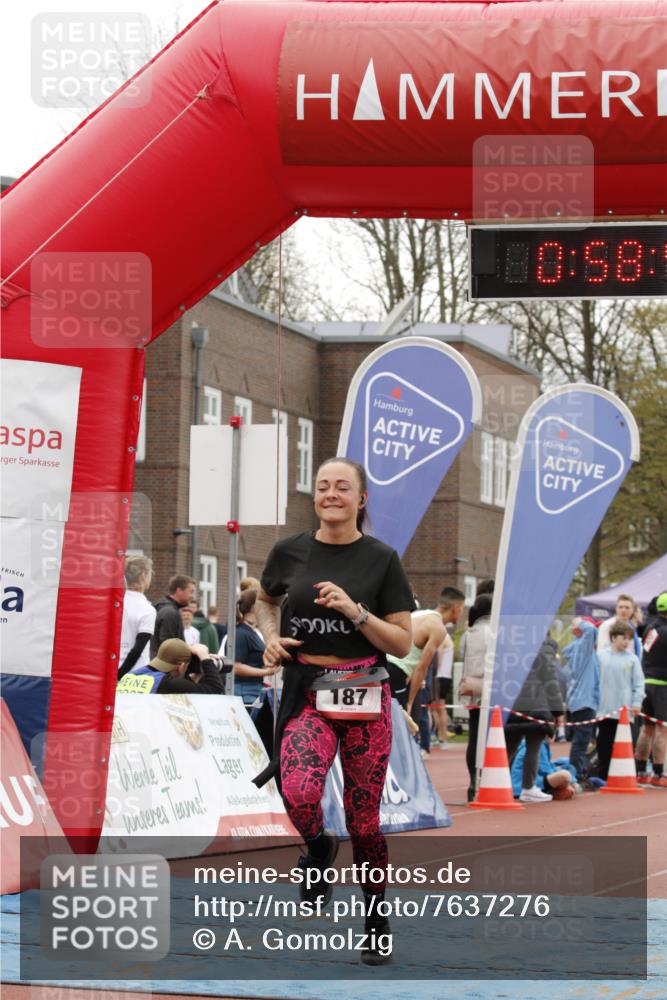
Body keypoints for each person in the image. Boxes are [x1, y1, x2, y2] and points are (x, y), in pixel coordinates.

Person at [254, 457, 414, 965]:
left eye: (343, 487)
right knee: (297, 792)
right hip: (308, 693)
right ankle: (319, 848)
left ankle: (375, 918)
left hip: (364, 690)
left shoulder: (382, 559)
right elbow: (264, 599)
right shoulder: (291, 551)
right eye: (323, 486)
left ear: (361, 499)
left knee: (364, 821)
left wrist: (355, 611)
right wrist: (270, 637)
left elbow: (403, 639)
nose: (331, 494)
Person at [504, 635, 565, 803]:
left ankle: (495, 784)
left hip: (512, 703)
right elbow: (551, 682)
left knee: (508, 749)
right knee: (533, 749)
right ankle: (528, 788)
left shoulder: (510, 647)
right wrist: (558, 711)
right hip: (537, 706)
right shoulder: (545, 650)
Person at [596, 622, 645, 781]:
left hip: (625, 711)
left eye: (629, 639)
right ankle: (603, 774)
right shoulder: (601, 656)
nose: (626, 642)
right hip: (604, 709)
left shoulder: (632, 659)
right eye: (623, 638)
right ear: (613, 638)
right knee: (604, 743)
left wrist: (637, 703)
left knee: (625, 744)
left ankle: (626, 774)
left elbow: (639, 683)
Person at [459, 594, 492, 802]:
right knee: (490, 738)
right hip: (489, 687)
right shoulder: (494, 632)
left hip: (470, 688)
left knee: (474, 736)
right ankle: (486, 780)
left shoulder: (467, 634)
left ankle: (473, 783)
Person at [562, 619, 600, 784]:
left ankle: (579, 772)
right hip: (584, 701)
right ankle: (576, 774)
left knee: (582, 741)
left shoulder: (577, 648)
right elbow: (591, 630)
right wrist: (579, 623)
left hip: (580, 700)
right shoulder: (583, 650)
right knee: (581, 741)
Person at [117, 639, 228, 694]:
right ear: (181, 666)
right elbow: (216, 689)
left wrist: (198, 674)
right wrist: (204, 658)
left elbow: (186, 688)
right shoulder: (167, 683)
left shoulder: (130, 676)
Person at [636, 592, 667, 787]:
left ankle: (640, 771)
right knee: (662, 730)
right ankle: (658, 774)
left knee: (646, 729)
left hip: (645, 681)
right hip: (662, 685)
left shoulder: (650, 628)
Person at [232, 589, 280, 707]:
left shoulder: (251, 631)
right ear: (254, 607)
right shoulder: (241, 633)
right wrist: (266, 672)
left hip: (254, 691)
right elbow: (236, 667)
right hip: (244, 694)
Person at [118, 555, 156, 679]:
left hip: (112, 668)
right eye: (150, 574)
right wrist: (120, 675)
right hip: (136, 675)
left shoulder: (115, 605)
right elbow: (138, 649)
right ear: (143, 577)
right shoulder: (147, 610)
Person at [511, 733, 579, 801]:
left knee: (568, 768)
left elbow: (546, 766)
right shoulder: (540, 744)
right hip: (525, 785)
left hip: (526, 783)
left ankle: (559, 789)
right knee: (565, 775)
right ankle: (554, 791)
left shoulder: (537, 742)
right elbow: (546, 771)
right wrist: (571, 781)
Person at [150, 575, 196, 656]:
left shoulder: (163, 608)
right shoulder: (170, 612)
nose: (192, 596)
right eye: (191, 592)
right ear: (179, 591)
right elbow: (168, 646)